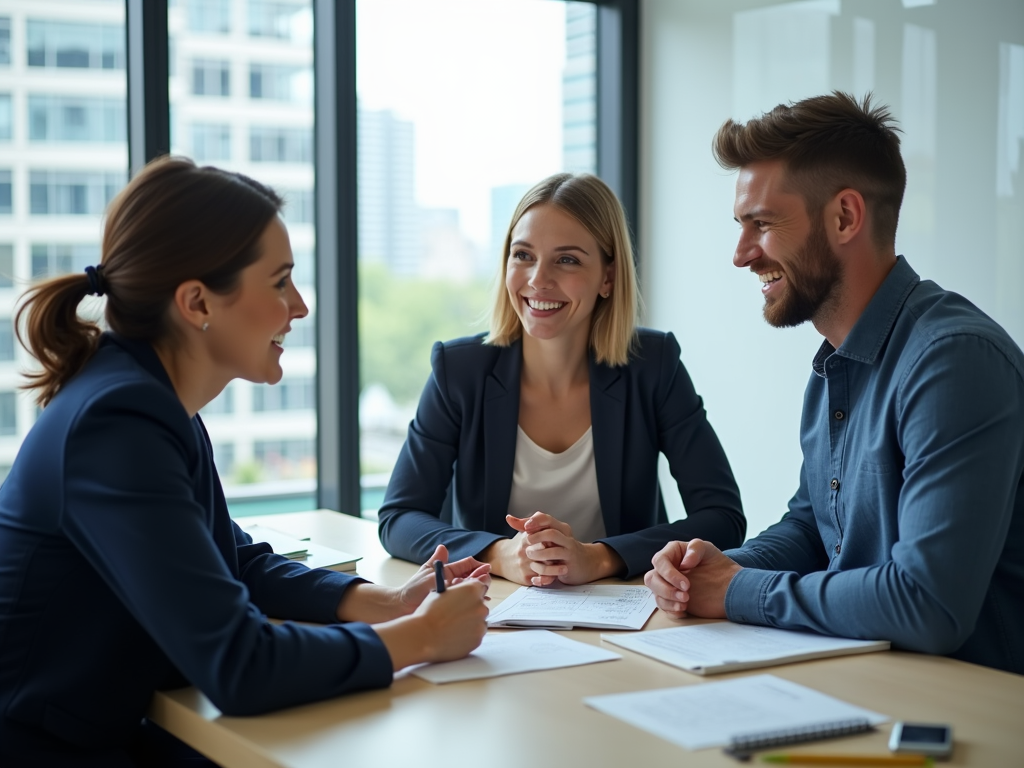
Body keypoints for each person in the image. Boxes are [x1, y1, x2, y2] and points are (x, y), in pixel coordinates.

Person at [0, 157, 491, 766]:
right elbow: (240, 666)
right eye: (280, 281)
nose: (301, 306)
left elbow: (234, 562)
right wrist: (420, 637)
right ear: (198, 302)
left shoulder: (150, 400)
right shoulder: (119, 424)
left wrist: (382, 603)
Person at [645, 92, 1024, 675]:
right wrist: (710, 568)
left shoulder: (953, 362)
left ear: (845, 217)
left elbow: (927, 604)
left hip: (973, 717)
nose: (742, 254)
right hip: (869, 685)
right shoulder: (836, 366)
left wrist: (737, 591)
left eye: (762, 224)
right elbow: (815, 527)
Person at [378, 173, 745, 586]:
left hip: (627, 613)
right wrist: (499, 553)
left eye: (566, 259)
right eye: (523, 255)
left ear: (608, 277)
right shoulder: (459, 371)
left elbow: (723, 517)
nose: (538, 279)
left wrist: (599, 558)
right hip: (494, 610)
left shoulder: (653, 366)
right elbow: (399, 518)